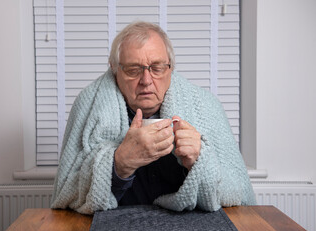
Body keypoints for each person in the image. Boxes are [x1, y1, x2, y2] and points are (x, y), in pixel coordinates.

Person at [51, 21, 256, 214]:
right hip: (115, 226)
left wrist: (200, 160)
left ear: (171, 68)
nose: (146, 81)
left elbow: (238, 192)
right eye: (133, 70)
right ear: (114, 70)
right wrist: (118, 164)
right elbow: (66, 193)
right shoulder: (88, 105)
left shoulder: (205, 105)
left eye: (157, 68)